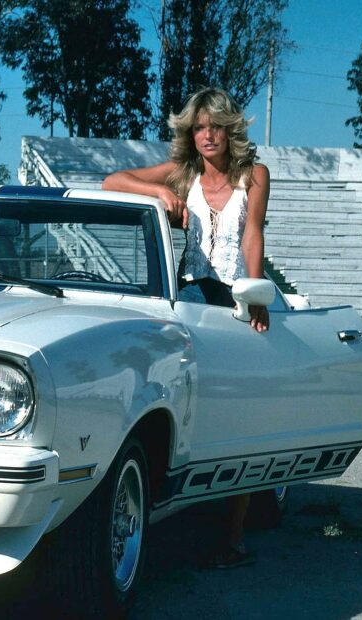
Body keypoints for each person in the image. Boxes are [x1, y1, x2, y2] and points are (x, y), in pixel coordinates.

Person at [102, 86, 270, 568]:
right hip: (192, 293)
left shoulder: (254, 175)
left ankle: (233, 537)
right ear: (190, 133)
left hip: (238, 292)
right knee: (193, 403)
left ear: (229, 129)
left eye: (215, 126)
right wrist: (158, 191)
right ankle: (176, 510)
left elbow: (253, 234)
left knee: (241, 409)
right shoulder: (184, 174)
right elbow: (113, 181)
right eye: (199, 127)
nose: (207, 135)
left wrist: (256, 293)